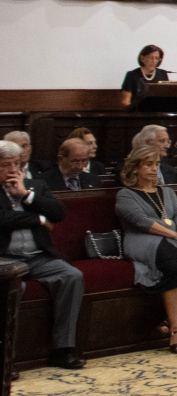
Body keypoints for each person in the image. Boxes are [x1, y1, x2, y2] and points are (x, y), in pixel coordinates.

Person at [0, 140, 84, 368]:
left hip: (38, 257)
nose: (13, 170)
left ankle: (63, 350)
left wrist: (26, 195)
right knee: (14, 287)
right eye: (6, 165)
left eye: (16, 164)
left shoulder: (35, 185)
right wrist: (37, 218)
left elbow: (57, 213)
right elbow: (3, 220)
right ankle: (6, 359)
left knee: (71, 276)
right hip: (4, 260)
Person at [117, 146, 177, 354]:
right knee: (175, 265)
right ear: (135, 168)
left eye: (156, 164)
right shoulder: (125, 194)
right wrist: (174, 235)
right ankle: (176, 329)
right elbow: (142, 222)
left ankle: (168, 319)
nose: (153, 169)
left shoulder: (167, 191)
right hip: (142, 239)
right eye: (148, 164)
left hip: (171, 237)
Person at [119, 44, 170, 109]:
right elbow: (125, 101)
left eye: (157, 58)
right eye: (151, 58)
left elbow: (166, 97)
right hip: (137, 114)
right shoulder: (132, 75)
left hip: (158, 113)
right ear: (142, 58)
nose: (154, 61)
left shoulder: (163, 74)